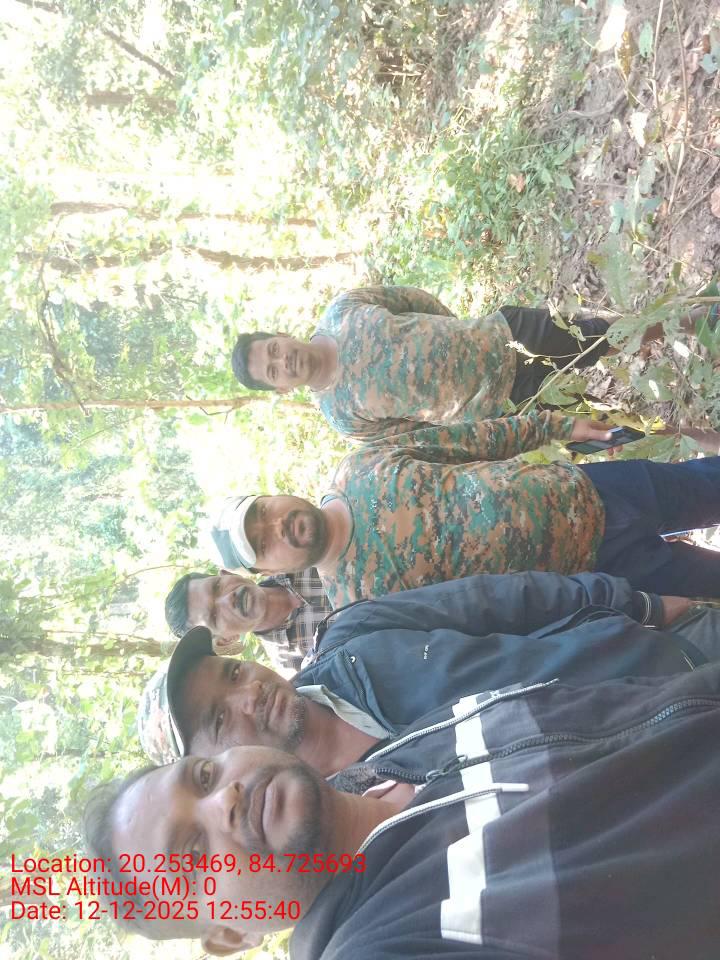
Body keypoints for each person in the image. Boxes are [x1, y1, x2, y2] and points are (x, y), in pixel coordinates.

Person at [87, 660, 720, 958]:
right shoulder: (382, 947)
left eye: (203, 776)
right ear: (233, 934)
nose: (223, 798)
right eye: (191, 853)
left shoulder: (396, 756)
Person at [137, 568, 717, 773]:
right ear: (211, 771)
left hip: (670, 657)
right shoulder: (355, 819)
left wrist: (636, 604)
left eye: (231, 675)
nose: (247, 695)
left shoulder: (351, 637)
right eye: (219, 719)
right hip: (676, 779)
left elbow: (497, 600)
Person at [209, 411, 720, 604]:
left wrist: (557, 426)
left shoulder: (360, 467)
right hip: (597, 578)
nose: (278, 525)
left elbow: (471, 440)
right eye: (262, 542)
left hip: (590, 490)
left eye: (263, 511)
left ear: (271, 494)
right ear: (269, 572)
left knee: (708, 486)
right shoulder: (357, 603)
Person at [231, 286, 612, 440]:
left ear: (280, 335)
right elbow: (415, 433)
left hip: (504, 334)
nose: (283, 361)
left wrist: (457, 331)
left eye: (273, 349)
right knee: (600, 426)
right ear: (281, 388)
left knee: (599, 336)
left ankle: (651, 333)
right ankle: (648, 435)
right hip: (506, 406)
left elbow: (411, 300)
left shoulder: (342, 310)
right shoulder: (342, 417)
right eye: (273, 371)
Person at [165, 568, 331, 673]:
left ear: (228, 574)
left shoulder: (295, 558)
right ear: (226, 640)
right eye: (214, 616)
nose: (228, 599)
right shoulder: (293, 664)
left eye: (217, 587)